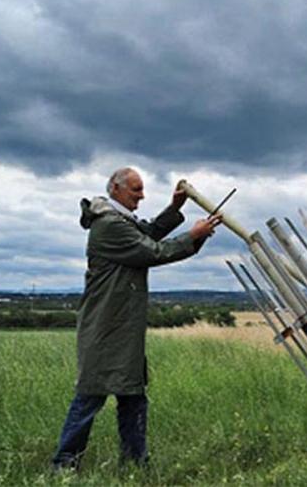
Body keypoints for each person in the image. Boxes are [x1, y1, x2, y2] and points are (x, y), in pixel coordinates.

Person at [51, 167, 222, 471]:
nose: (142, 196)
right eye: (136, 190)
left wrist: (175, 209)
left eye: (142, 190)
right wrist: (192, 235)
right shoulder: (109, 225)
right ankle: (64, 465)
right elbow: (153, 251)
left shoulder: (119, 220)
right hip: (105, 327)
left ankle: (134, 462)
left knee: (132, 395)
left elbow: (148, 233)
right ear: (115, 189)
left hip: (119, 327)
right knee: (90, 396)